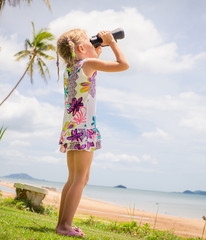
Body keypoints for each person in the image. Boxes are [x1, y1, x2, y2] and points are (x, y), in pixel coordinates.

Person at [55, 29, 129, 237]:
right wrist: (112, 43)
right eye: (89, 42)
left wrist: (95, 49)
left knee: (73, 179)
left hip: (71, 128)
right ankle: (65, 226)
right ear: (80, 48)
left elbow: (90, 69)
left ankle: (62, 223)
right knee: (82, 178)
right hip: (84, 127)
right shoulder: (88, 65)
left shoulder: (71, 69)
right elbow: (123, 65)